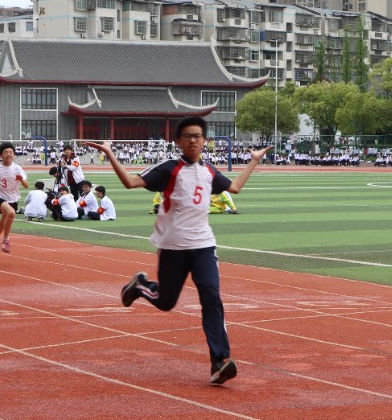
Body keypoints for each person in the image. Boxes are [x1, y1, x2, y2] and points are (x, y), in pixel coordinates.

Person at [86, 117, 271, 386]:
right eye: (187, 136)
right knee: (166, 302)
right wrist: (110, 153)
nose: (193, 140)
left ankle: (220, 361)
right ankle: (140, 286)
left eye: (198, 136)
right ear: (178, 141)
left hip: (204, 246)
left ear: (204, 141)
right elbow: (130, 182)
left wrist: (253, 160)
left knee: (212, 298)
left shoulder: (209, 171)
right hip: (173, 246)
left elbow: (235, 187)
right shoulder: (169, 169)